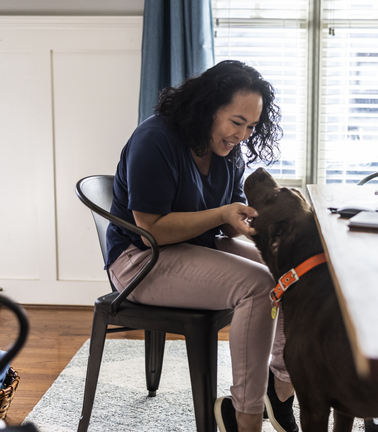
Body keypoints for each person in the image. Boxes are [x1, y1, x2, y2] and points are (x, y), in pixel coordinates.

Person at [105, 60, 298, 432]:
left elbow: (225, 219)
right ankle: (244, 418)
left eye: (251, 127)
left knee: (287, 268)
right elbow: (152, 230)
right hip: (141, 260)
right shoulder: (155, 139)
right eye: (236, 122)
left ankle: (281, 389)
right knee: (259, 287)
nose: (242, 135)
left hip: (197, 247)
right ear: (208, 107)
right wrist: (224, 214)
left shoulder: (226, 150)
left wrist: (271, 231)